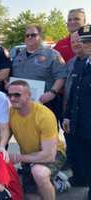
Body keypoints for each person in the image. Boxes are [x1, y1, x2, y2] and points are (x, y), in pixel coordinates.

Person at [8, 80, 66, 200]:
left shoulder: (44, 115)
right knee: (29, 196)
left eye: (17, 95)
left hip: (54, 153)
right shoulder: (10, 112)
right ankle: (56, 181)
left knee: (39, 173)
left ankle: (50, 178)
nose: (12, 98)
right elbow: (3, 136)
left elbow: (49, 156)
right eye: (10, 95)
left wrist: (18, 158)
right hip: (30, 156)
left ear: (29, 95)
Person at [12, 24, 66, 122]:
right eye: (27, 35)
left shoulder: (52, 54)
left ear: (40, 36)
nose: (29, 37)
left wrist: (52, 93)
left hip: (44, 102)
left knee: (46, 134)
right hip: (22, 103)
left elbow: (61, 76)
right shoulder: (18, 55)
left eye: (33, 35)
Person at [63, 25, 91, 199]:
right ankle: (83, 180)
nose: (86, 44)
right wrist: (67, 116)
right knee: (84, 157)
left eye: (89, 41)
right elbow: (74, 92)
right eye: (84, 41)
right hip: (80, 122)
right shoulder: (82, 63)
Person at [63, 31, 84, 170]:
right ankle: (79, 176)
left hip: (85, 113)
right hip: (72, 112)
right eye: (72, 42)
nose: (75, 44)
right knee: (75, 146)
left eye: (79, 41)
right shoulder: (71, 63)